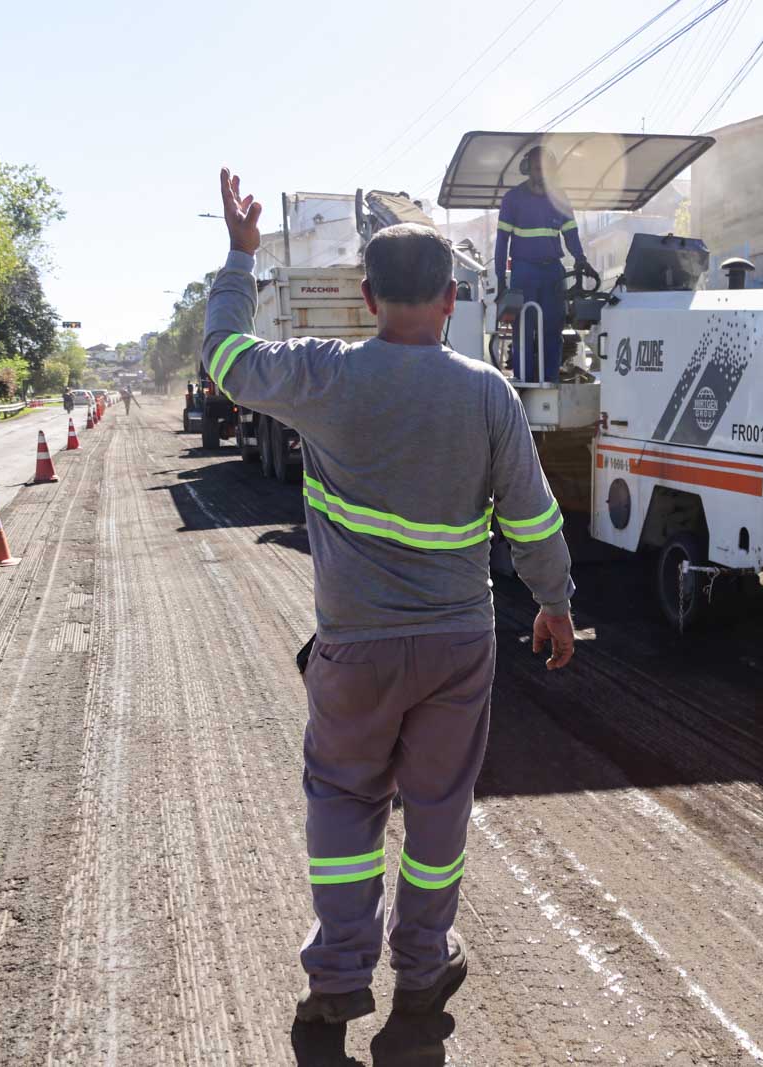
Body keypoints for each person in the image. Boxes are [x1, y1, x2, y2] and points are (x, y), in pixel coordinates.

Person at [202, 169, 577, 1032]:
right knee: (439, 807)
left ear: (368, 297)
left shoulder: (323, 377)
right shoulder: (488, 391)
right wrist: (555, 601)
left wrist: (240, 253)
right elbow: (531, 514)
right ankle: (420, 970)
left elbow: (223, 359)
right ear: (451, 299)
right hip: (459, 644)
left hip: (355, 645)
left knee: (343, 800)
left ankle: (338, 975)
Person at [493, 146, 598, 383]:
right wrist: (501, 280)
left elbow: (571, 235)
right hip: (523, 271)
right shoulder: (513, 199)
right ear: (527, 169)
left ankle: (550, 381)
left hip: (553, 272)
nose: (541, 173)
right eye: (537, 168)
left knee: (553, 328)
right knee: (524, 330)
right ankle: (525, 383)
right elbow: (502, 242)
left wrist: (582, 261)